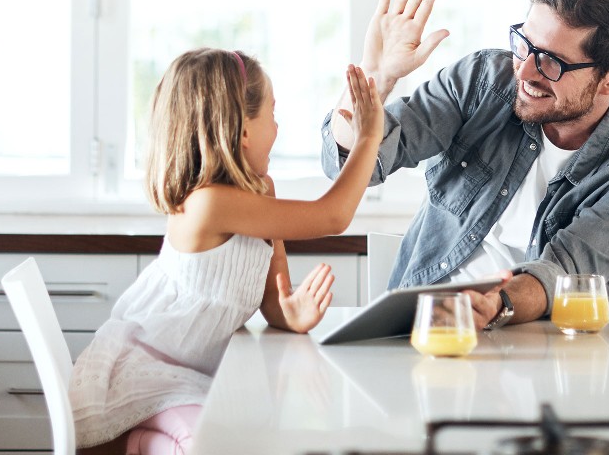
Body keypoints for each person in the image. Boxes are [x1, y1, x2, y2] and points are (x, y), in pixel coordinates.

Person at [322, 0, 609, 331]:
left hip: (536, 346)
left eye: (551, 62)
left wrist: (497, 305)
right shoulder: (482, 80)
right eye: (524, 45)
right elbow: (354, 168)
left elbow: (567, 272)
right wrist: (376, 76)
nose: (524, 72)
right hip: (423, 326)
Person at [70, 47, 384, 455]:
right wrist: (369, 137)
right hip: (144, 372)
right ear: (243, 130)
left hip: (190, 376)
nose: (278, 126)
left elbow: (274, 299)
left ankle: (140, 445)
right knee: (213, 444)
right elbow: (332, 217)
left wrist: (290, 313)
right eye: (272, 113)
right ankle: (133, 443)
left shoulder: (260, 194)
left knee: (241, 433)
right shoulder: (208, 204)